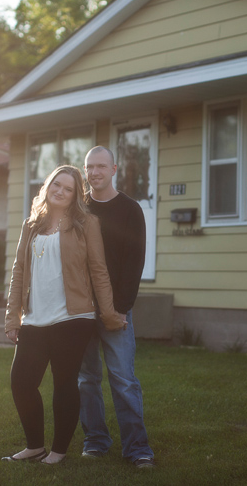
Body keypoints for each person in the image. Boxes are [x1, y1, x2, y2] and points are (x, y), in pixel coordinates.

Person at [2, 165, 126, 465]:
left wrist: (109, 314)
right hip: (34, 318)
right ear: (48, 186)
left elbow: (98, 270)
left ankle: (58, 451)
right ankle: (35, 447)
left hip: (73, 318)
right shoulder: (31, 225)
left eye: (68, 188)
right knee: (21, 382)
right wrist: (12, 317)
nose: (60, 191)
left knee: (64, 383)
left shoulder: (87, 223)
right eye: (56, 184)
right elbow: (19, 272)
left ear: (75, 196)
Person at [78, 146, 155, 469]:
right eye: (89, 167)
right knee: (86, 379)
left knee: (123, 379)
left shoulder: (130, 209)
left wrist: (121, 308)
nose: (94, 172)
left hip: (115, 308)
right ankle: (95, 441)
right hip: (81, 309)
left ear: (113, 170)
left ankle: (137, 449)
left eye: (101, 166)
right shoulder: (78, 207)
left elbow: (134, 263)